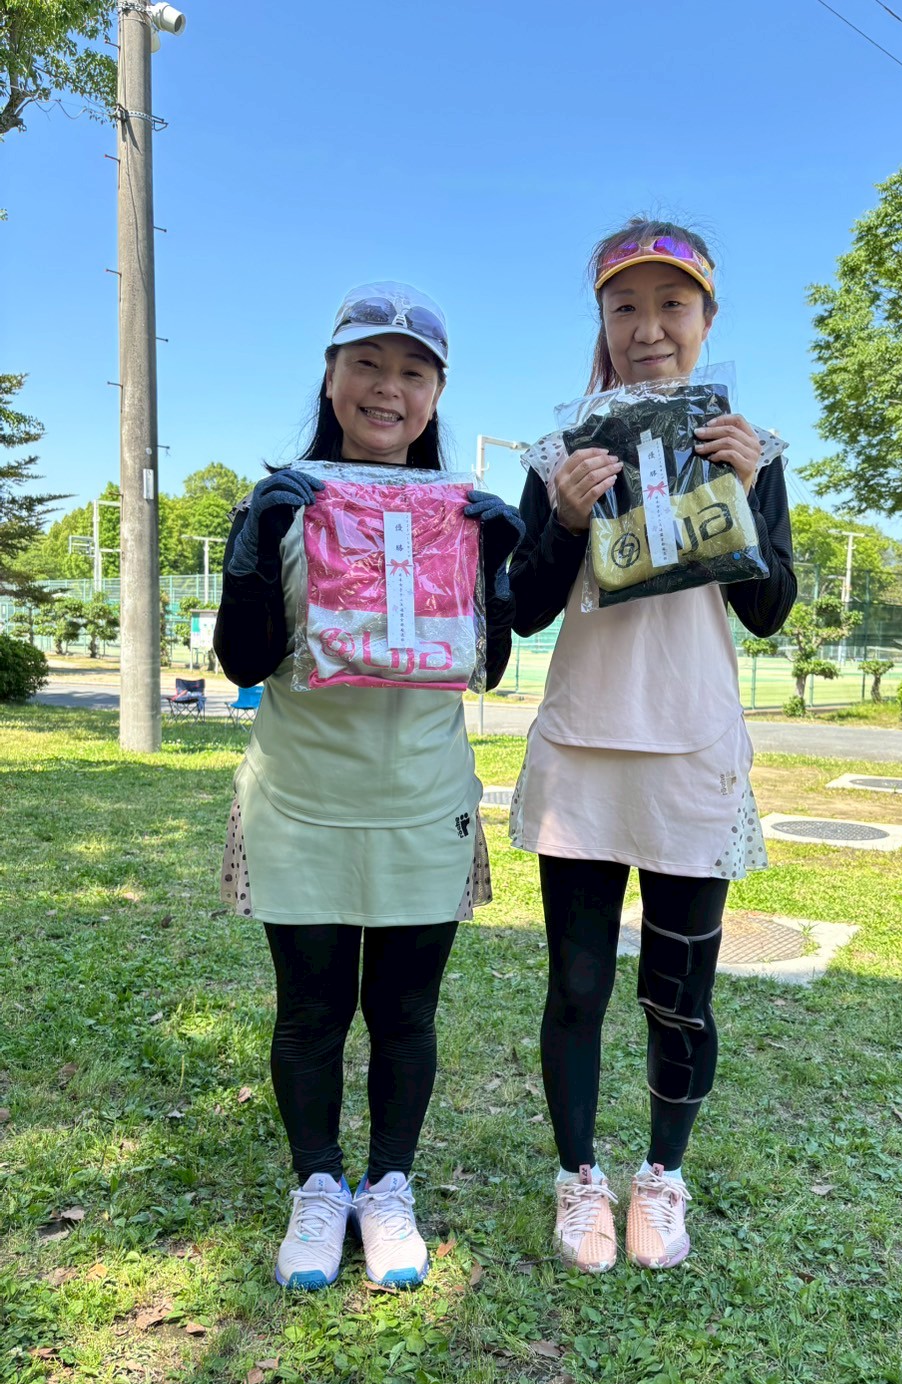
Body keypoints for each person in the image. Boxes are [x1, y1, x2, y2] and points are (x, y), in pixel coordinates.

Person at [214, 282, 521, 1291]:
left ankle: (388, 1187)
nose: (389, 388)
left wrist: (499, 568)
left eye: (413, 372)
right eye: (368, 364)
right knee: (309, 1011)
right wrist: (252, 551)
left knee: (404, 1011)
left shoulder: (459, 517)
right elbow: (241, 662)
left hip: (422, 802)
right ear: (332, 377)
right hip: (300, 799)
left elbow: (485, 670)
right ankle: (317, 1184)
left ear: (435, 396)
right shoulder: (281, 502)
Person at [509, 221, 796, 1272]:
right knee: (577, 988)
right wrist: (564, 518)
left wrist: (744, 494)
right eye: (624, 307)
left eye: (672, 305)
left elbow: (769, 611)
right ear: (600, 321)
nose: (648, 329)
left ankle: (662, 1176)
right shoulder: (563, 456)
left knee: (679, 996)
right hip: (584, 750)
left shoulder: (746, 451)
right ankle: (578, 1177)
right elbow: (525, 606)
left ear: (707, 318)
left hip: (692, 753)